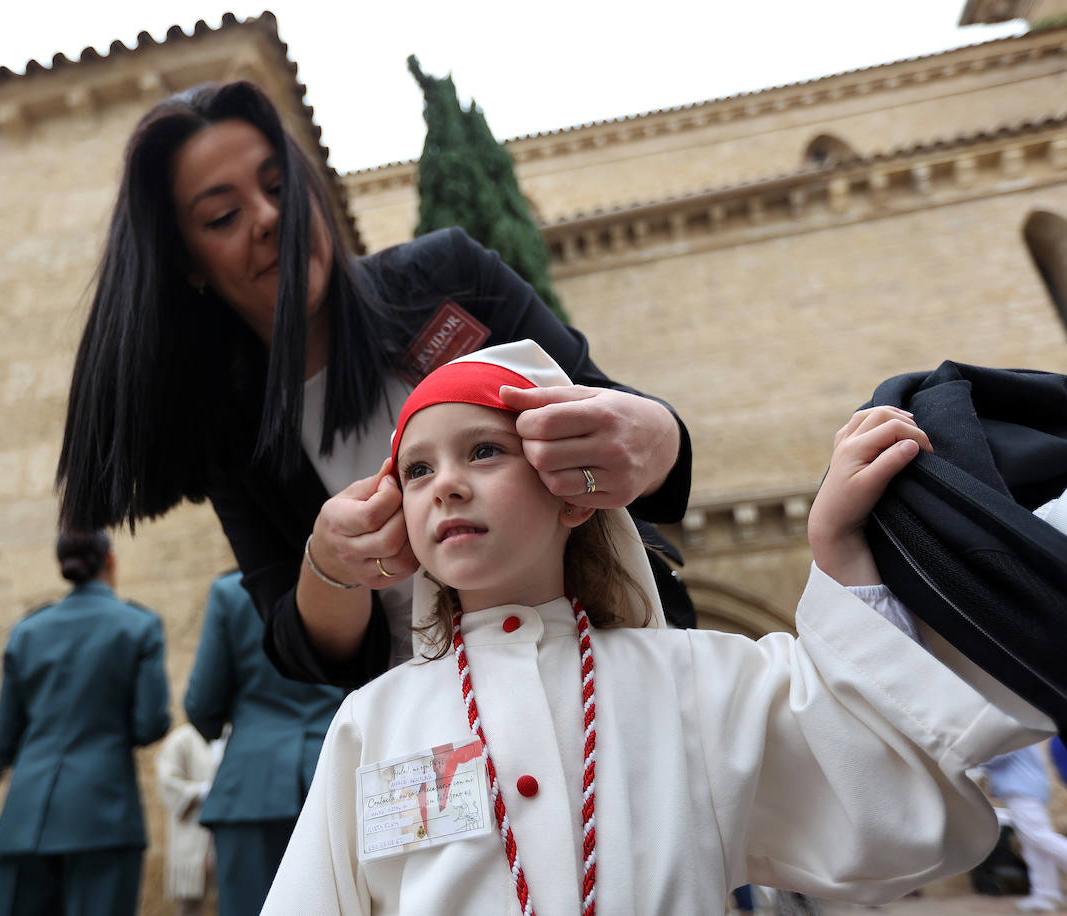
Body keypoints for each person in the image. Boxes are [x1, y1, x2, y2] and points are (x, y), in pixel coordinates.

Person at [261, 340, 1051, 915]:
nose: (447, 487)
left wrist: (839, 550)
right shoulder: (373, 719)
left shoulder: (703, 678)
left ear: (572, 493)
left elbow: (885, 798)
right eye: (418, 470)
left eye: (483, 451)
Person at [56, 79, 692, 690]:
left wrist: (655, 436)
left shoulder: (448, 277)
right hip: (443, 734)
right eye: (223, 216)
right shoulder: (229, 425)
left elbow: (614, 419)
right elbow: (304, 648)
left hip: (611, 659)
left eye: (280, 186)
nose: (268, 217)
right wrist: (330, 566)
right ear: (188, 261)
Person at [0, 531, 171, 916]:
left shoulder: (28, 630)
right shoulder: (137, 624)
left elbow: (4, 737)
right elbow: (149, 725)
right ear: (110, 560)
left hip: (24, 817)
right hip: (101, 814)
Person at [184, 571, 346, 915]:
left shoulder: (231, 591)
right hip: (336, 771)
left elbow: (202, 704)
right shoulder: (351, 580)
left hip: (251, 783)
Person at [984, 745, 1067, 912]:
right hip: (1024, 787)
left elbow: (996, 754)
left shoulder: (1009, 727)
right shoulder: (1018, 724)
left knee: (1038, 837)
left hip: (1022, 788)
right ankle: (1046, 895)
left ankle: (1047, 895)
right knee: (1032, 845)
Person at [155, 723, 220, 916]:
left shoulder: (235, 735)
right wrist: (202, 791)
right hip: (192, 841)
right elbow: (168, 782)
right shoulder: (182, 740)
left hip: (227, 841)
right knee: (191, 908)